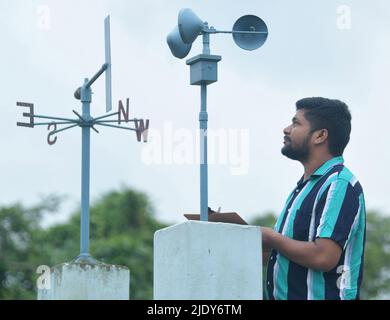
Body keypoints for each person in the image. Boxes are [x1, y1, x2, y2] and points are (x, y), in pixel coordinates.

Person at [262, 97, 366, 300]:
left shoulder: (339, 184)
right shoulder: (304, 187)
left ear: (320, 136)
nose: (286, 129)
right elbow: (286, 253)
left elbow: (323, 256)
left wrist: (270, 237)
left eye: (296, 123)